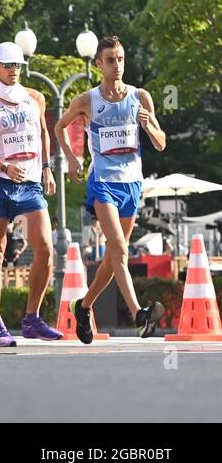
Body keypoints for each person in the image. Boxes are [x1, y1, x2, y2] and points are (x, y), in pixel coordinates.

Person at [56, 35, 167, 342]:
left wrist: (149, 126)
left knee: (114, 257)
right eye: (110, 60)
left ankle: (83, 305)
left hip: (132, 182)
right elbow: (59, 126)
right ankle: (139, 315)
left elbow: (161, 143)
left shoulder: (140, 97)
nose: (116, 65)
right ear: (98, 64)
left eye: (120, 59)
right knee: (117, 248)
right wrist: (72, 159)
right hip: (103, 182)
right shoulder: (87, 100)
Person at [0, 42, 63, 345]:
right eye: (7, 65)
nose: (13, 71)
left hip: (30, 184)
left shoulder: (35, 98)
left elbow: (43, 133)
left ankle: (31, 318)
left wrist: (48, 169)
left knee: (45, 249)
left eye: (17, 66)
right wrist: (2, 166)